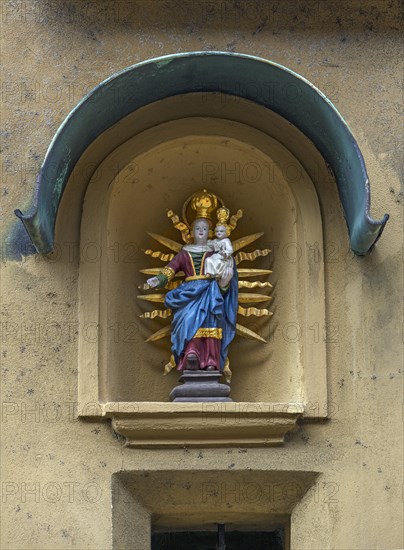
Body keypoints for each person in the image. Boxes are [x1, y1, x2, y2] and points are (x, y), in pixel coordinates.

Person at [147, 211, 238, 373]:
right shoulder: (185, 252)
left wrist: (224, 283)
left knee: (211, 322)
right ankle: (191, 354)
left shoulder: (215, 251)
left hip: (210, 291)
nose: (201, 231)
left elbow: (225, 273)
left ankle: (211, 360)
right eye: (197, 228)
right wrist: (158, 280)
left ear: (210, 232)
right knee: (189, 320)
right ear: (191, 232)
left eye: (204, 228)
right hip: (188, 293)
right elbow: (170, 270)